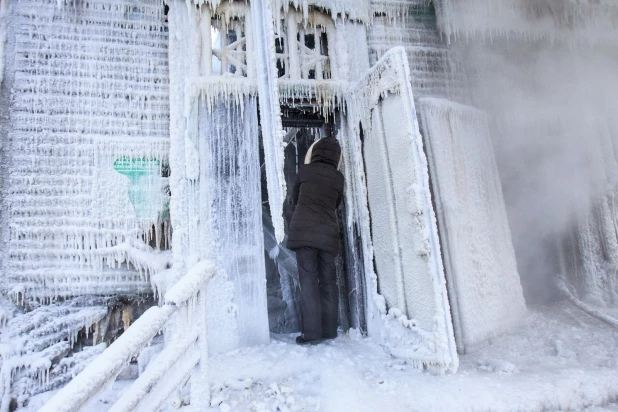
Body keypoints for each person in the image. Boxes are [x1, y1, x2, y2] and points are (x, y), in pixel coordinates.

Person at [287, 135, 344, 345]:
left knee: (309, 281)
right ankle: (329, 330)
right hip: (328, 236)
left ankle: (310, 333)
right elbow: (336, 204)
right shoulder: (338, 178)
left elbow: (294, 197)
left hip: (304, 233)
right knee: (329, 282)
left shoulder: (304, 172)